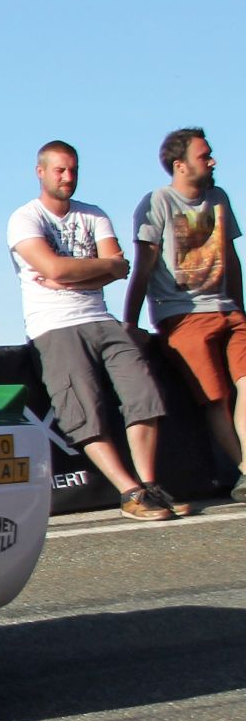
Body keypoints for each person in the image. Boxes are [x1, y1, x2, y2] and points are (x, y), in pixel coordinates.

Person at [8, 140, 184, 521]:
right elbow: (53, 269)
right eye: (59, 170)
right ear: (41, 172)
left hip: (101, 319)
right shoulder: (25, 218)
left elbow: (120, 267)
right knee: (82, 413)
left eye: (73, 169)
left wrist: (74, 274)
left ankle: (149, 485)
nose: (68, 177)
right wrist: (90, 270)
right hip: (54, 325)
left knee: (144, 393)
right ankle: (130, 492)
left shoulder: (94, 214)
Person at [122, 127, 246, 503]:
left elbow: (232, 257)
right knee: (216, 397)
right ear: (180, 165)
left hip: (227, 310)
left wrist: (239, 306)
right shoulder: (157, 202)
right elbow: (143, 266)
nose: (212, 162)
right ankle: (243, 472)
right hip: (182, 315)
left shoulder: (218, 198)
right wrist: (130, 323)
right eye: (204, 155)